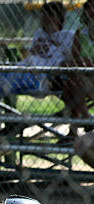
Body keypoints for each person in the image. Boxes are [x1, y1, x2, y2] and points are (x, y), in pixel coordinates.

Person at [0, 2, 74, 115]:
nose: (45, 18)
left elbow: (70, 61)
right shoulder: (39, 33)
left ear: (60, 18)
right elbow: (31, 56)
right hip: (22, 69)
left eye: (50, 15)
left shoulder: (68, 35)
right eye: (44, 14)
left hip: (40, 77)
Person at [61, 0, 94, 133]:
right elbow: (75, 60)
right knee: (73, 81)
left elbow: (81, 61)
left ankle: (74, 130)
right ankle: (85, 119)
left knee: (73, 83)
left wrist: (87, 62)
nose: (92, 13)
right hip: (81, 77)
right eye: (90, 9)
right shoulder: (80, 34)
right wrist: (85, 62)